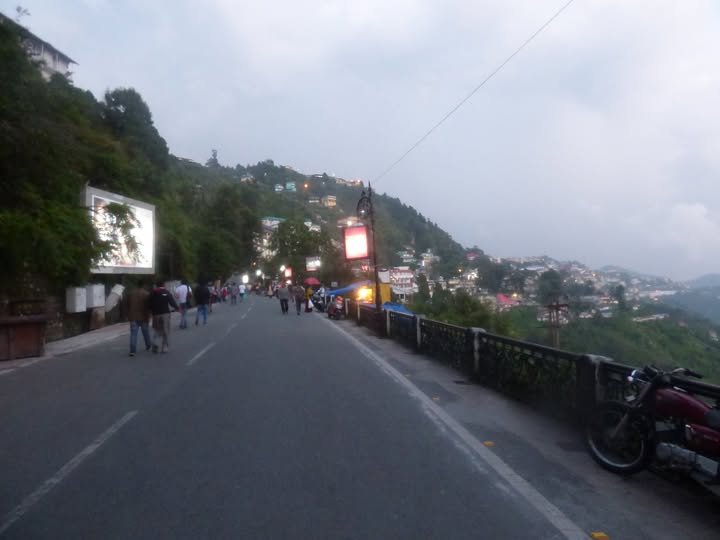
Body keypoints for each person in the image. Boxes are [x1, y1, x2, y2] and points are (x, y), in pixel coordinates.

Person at [148, 280, 179, 353]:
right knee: (165, 330)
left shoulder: (152, 293)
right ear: (163, 285)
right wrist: (177, 308)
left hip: (155, 314)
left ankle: (154, 342)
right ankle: (164, 347)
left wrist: (151, 311)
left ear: (156, 285)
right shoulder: (166, 292)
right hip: (165, 313)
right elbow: (171, 302)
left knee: (156, 329)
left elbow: (148, 304)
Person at [124, 280, 151, 357]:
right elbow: (148, 306)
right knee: (146, 333)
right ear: (144, 285)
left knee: (133, 334)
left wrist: (127, 315)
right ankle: (148, 345)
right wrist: (149, 315)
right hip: (144, 317)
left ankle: (132, 351)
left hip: (133, 317)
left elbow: (126, 305)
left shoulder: (130, 293)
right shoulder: (146, 294)